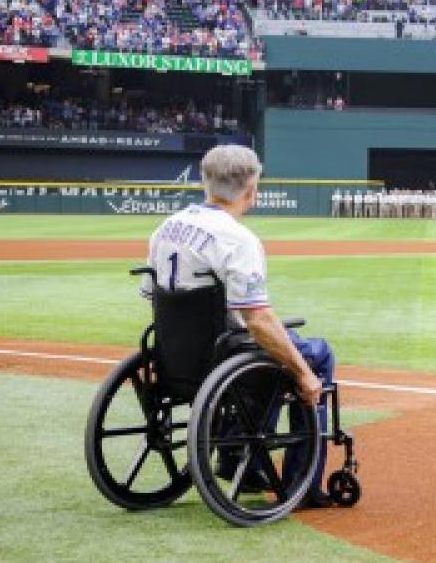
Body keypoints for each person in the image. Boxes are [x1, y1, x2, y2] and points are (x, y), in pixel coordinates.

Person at [141, 145, 335, 503]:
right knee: (315, 354)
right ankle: (303, 484)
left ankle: (237, 458)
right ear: (251, 189)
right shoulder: (238, 240)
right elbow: (258, 320)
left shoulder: (166, 228)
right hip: (224, 355)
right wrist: (305, 374)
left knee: (266, 351)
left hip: (177, 356)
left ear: (205, 181)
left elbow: (153, 296)